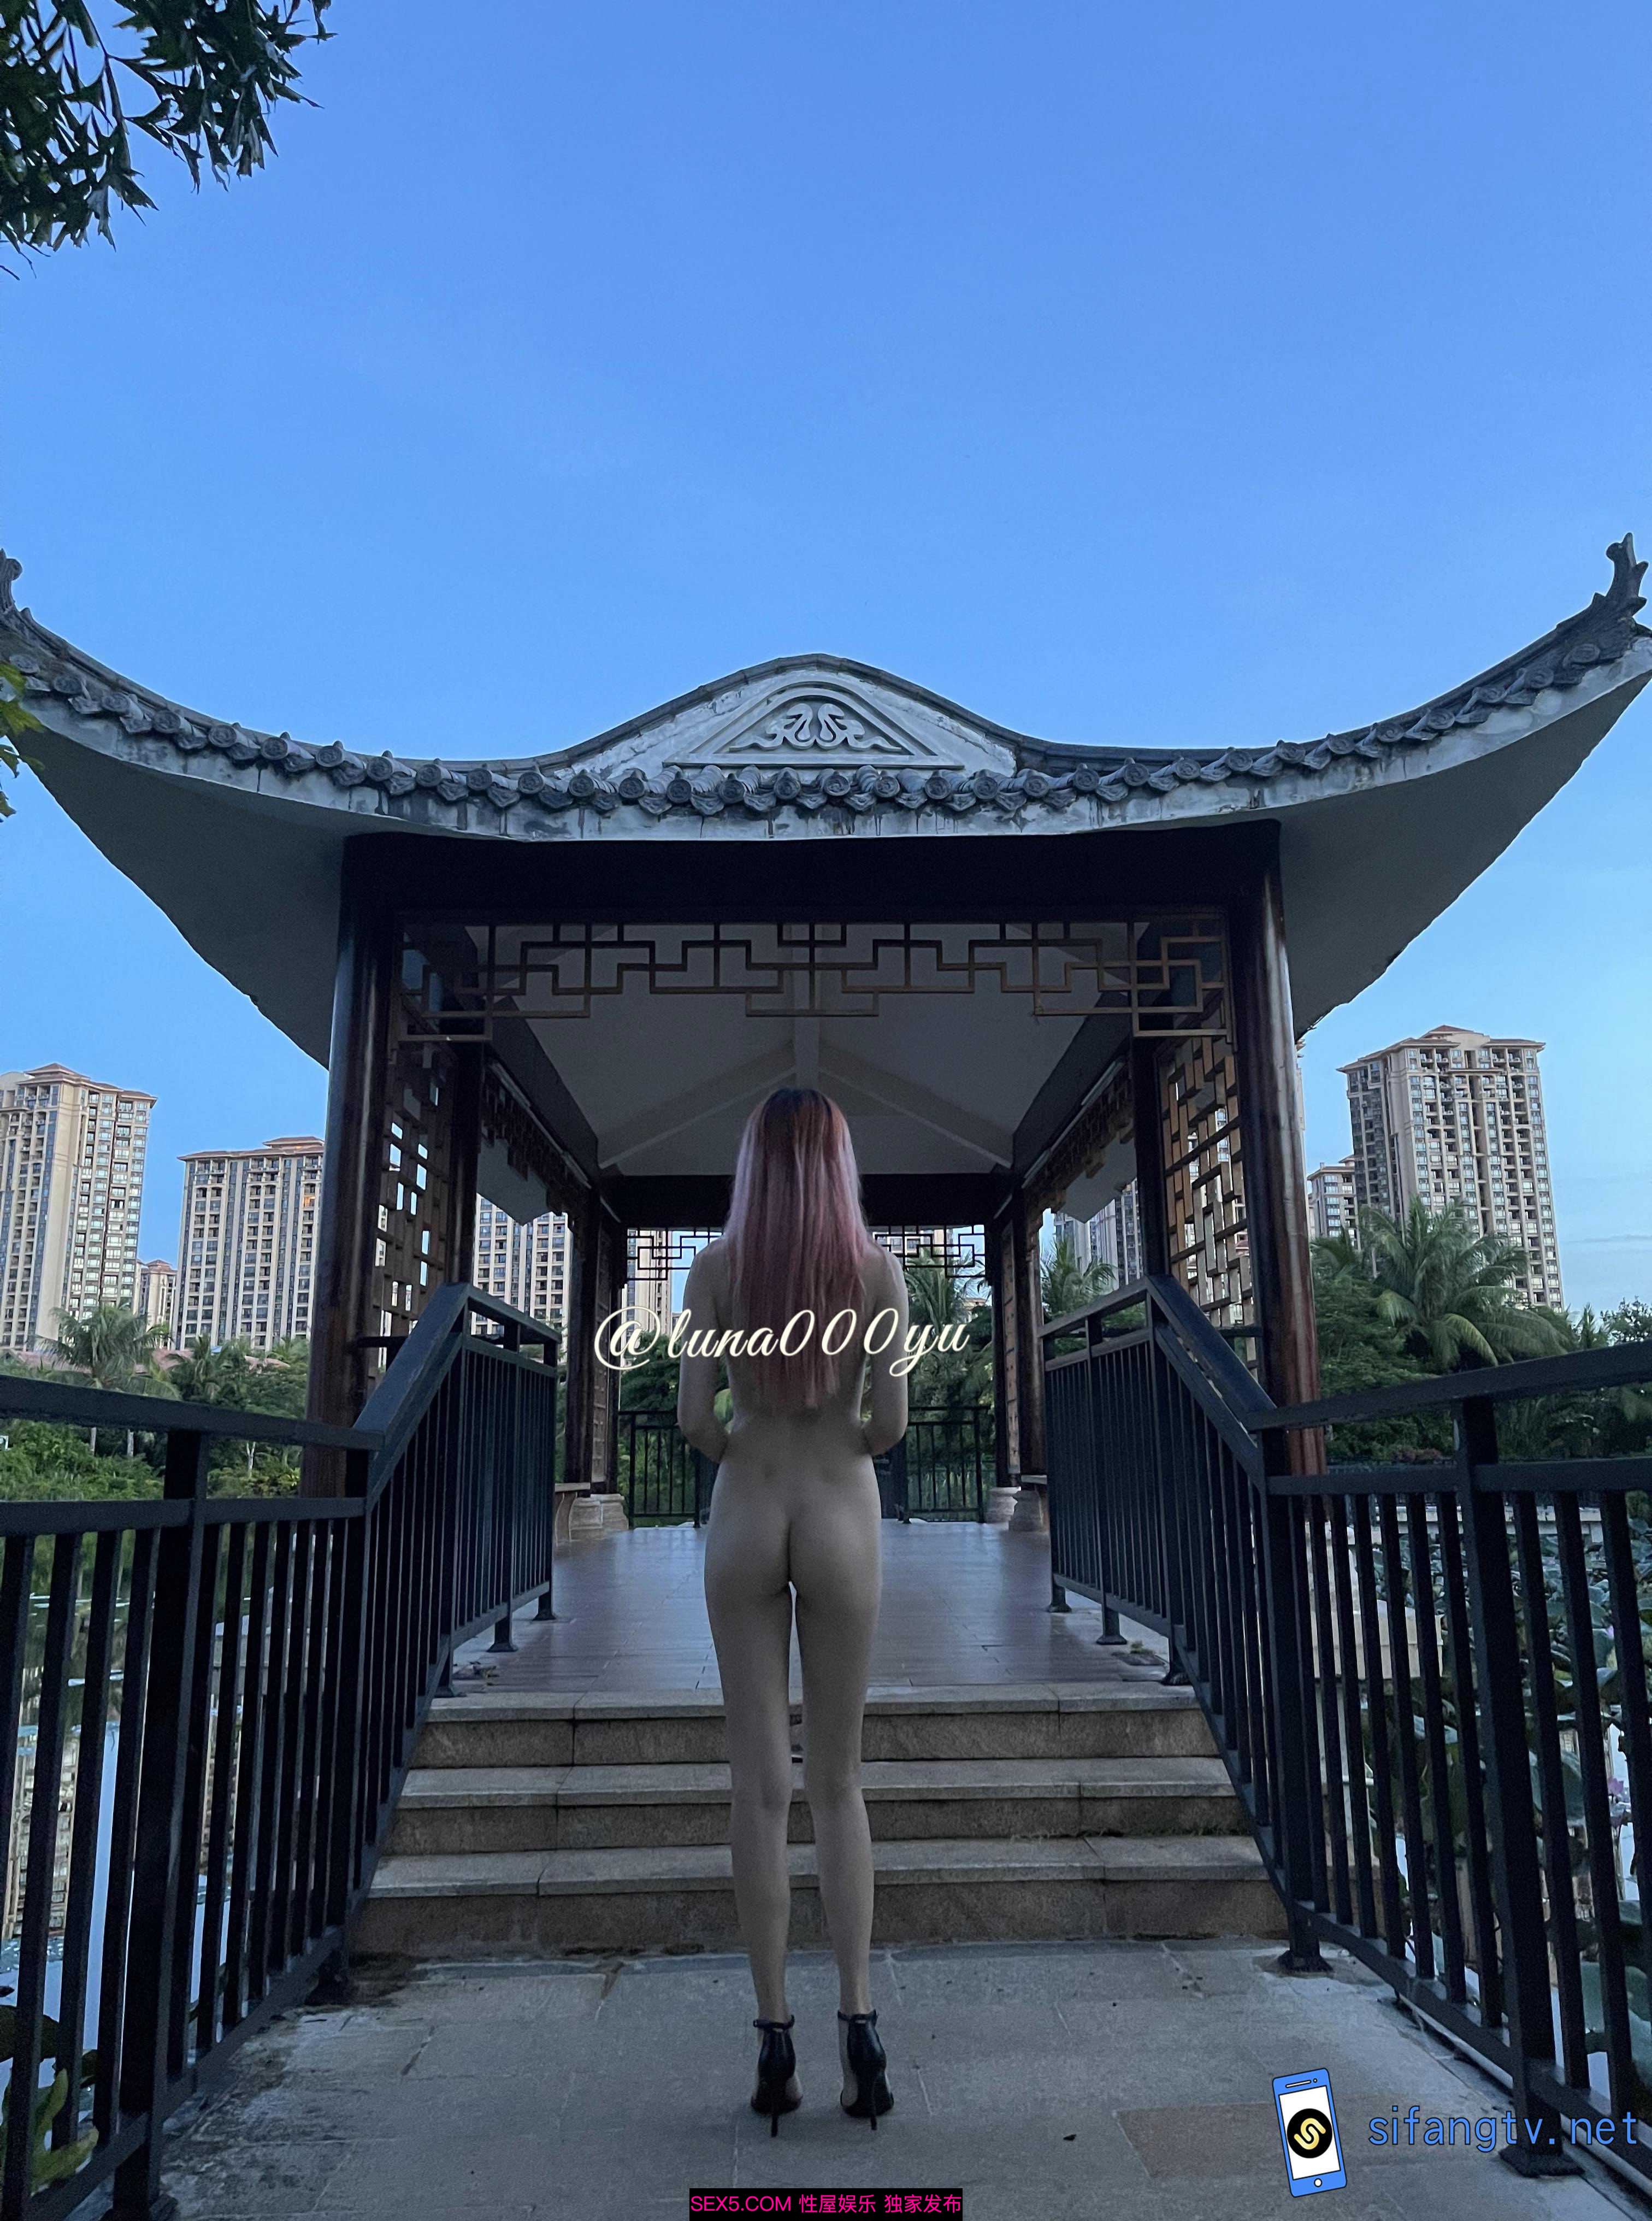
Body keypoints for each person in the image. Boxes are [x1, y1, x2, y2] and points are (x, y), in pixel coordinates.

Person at [676, 1087, 909, 2135]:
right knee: (839, 1782)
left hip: (747, 1510)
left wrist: (745, 1449)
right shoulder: (876, 1271)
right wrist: (841, 1432)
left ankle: (774, 2037)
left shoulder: (715, 1270)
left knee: (760, 1788)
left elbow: (695, 1416)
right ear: (838, 1164)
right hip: (840, 1513)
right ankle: (860, 2025)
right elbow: (890, 1424)